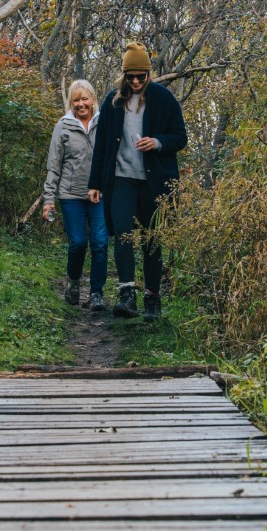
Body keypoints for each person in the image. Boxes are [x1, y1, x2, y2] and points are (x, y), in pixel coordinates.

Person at [87, 42, 187, 322]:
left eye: (140, 76)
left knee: (152, 240)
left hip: (155, 183)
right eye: (130, 76)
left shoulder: (164, 99)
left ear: (148, 74)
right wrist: (94, 183)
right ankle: (126, 294)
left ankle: (152, 300)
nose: (135, 81)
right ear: (123, 75)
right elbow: (103, 146)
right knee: (123, 234)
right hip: (121, 180)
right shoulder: (113, 102)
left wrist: (156, 142)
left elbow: (180, 137)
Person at [43, 79, 108, 310]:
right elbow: (54, 165)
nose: (81, 104)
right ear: (71, 103)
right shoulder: (63, 126)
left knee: (100, 243)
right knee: (79, 242)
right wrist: (48, 200)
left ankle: (97, 293)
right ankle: (73, 282)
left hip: (99, 195)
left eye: (84, 99)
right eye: (76, 100)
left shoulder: (105, 122)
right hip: (70, 195)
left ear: (93, 99)